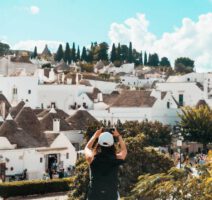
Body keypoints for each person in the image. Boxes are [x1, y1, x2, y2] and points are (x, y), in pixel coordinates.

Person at [85, 127, 127, 200]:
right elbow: (124, 151)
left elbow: (87, 148)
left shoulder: (92, 159)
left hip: (94, 196)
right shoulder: (116, 159)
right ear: (112, 145)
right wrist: (118, 136)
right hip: (111, 196)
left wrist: (95, 136)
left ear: (99, 144)